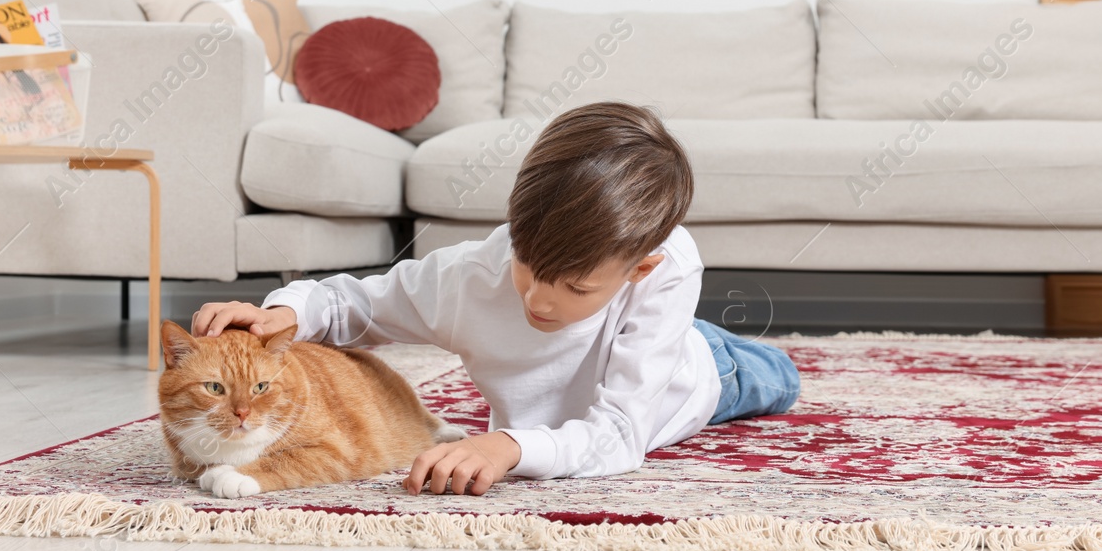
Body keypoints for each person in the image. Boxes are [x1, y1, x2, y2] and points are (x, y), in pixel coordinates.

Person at [191, 101, 801, 496]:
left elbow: (619, 435)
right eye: (528, 265)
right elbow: (359, 304)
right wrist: (283, 313)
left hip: (699, 374)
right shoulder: (474, 274)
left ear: (637, 270)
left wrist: (509, 444)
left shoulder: (666, 271)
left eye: (576, 287)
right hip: (623, 348)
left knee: (778, 378)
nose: (536, 298)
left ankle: (749, 356)